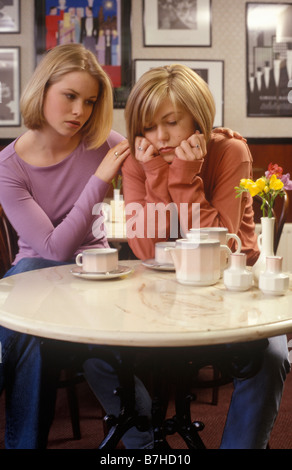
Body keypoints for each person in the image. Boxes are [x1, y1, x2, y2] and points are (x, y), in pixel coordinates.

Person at [120, 63, 290, 448]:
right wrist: (154, 173)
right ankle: (146, 447)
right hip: (157, 299)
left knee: (272, 353)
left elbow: (227, 248)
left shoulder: (229, 150)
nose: (158, 137)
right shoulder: (137, 159)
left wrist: (183, 178)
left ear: (197, 119)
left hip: (225, 297)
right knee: (95, 349)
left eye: (171, 122)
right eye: (146, 127)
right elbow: (147, 249)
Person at [0, 43, 153, 449]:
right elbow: (52, 251)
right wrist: (100, 180)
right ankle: (146, 443)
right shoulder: (8, 167)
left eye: (90, 101)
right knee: (32, 306)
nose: (80, 112)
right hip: (37, 278)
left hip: (93, 277)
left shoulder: (105, 142)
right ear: (42, 89)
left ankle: (144, 447)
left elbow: (155, 172)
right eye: (69, 96)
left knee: (29, 319)